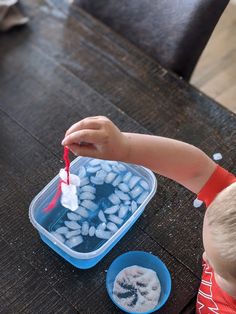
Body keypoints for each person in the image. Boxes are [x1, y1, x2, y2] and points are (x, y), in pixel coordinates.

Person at [61, 116, 236, 313]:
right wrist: (125, 147)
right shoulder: (232, 202)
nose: (205, 258)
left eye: (221, 272)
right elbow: (197, 170)